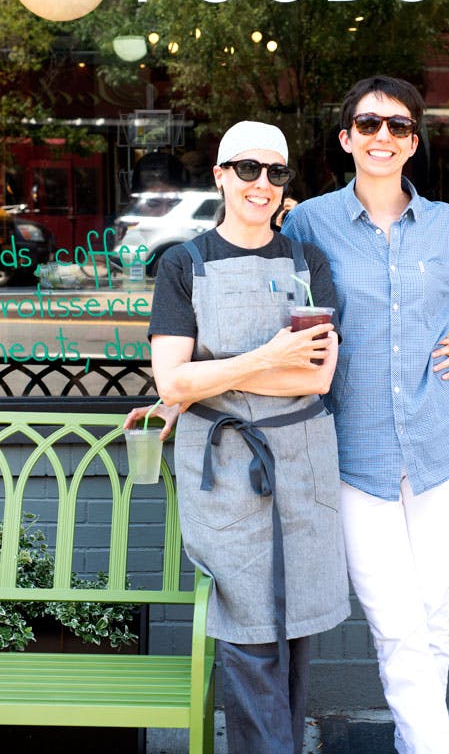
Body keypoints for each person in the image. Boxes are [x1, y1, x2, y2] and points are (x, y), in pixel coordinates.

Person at [281, 75, 449, 754]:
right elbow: (273, 307)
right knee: (393, 619)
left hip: (442, 446)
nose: (381, 136)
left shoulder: (445, 226)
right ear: (345, 138)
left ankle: (418, 744)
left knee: (431, 611)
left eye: (396, 126)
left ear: (412, 142)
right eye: (368, 124)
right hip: (353, 454)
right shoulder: (309, 223)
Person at [124, 120, 350, 754]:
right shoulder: (184, 263)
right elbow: (171, 380)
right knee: (248, 635)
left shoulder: (309, 262)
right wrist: (268, 357)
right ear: (221, 174)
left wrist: (214, 374)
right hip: (224, 467)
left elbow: (320, 374)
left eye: (276, 173)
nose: (262, 184)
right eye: (248, 169)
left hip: (301, 463)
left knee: (298, 635)